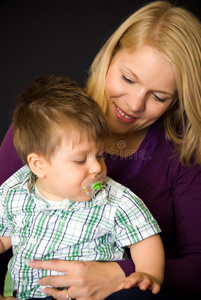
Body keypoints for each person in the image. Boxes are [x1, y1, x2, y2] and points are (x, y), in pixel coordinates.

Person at [0, 0, 201, 299]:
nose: (134, 105)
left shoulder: (183, 152)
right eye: (128, 79)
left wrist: (118, 272)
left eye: (158, 96)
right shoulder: (44, 127)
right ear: (110, 56)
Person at [0, 76, 165, 300]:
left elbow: (144, 239)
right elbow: (5, 237)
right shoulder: (14, 193)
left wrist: (149, 273)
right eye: (80, 160)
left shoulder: (114, 199)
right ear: (39, 165)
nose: (97, 167)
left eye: (99, 155)